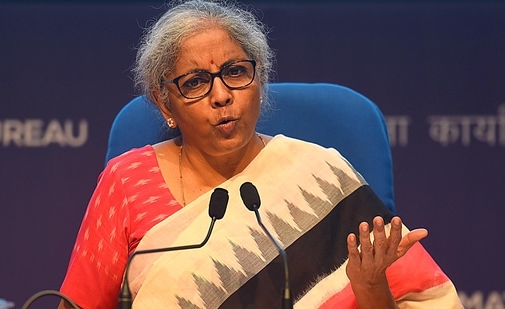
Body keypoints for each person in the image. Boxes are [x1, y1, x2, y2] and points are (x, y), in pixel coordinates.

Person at [59, 0, 463, 308]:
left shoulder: (320, 175)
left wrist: (371, 287)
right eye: (196, 82)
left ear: (259, 81)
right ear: (166, 104)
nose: (222, 96)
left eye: (236, 72)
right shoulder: (127, 182)